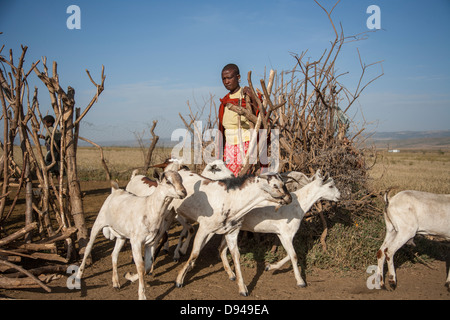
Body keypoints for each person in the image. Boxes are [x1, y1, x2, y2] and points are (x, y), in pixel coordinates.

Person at [218, 64, 260, 177]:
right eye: (224, 79)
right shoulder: (225, 101)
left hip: (245, 144)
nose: (226, 81)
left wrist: (252, 97)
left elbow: (259, 116)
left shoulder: (246, 95)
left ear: (238, 77)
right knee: (230, 178)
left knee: (243, 178)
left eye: (229, 78)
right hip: (229, 146)